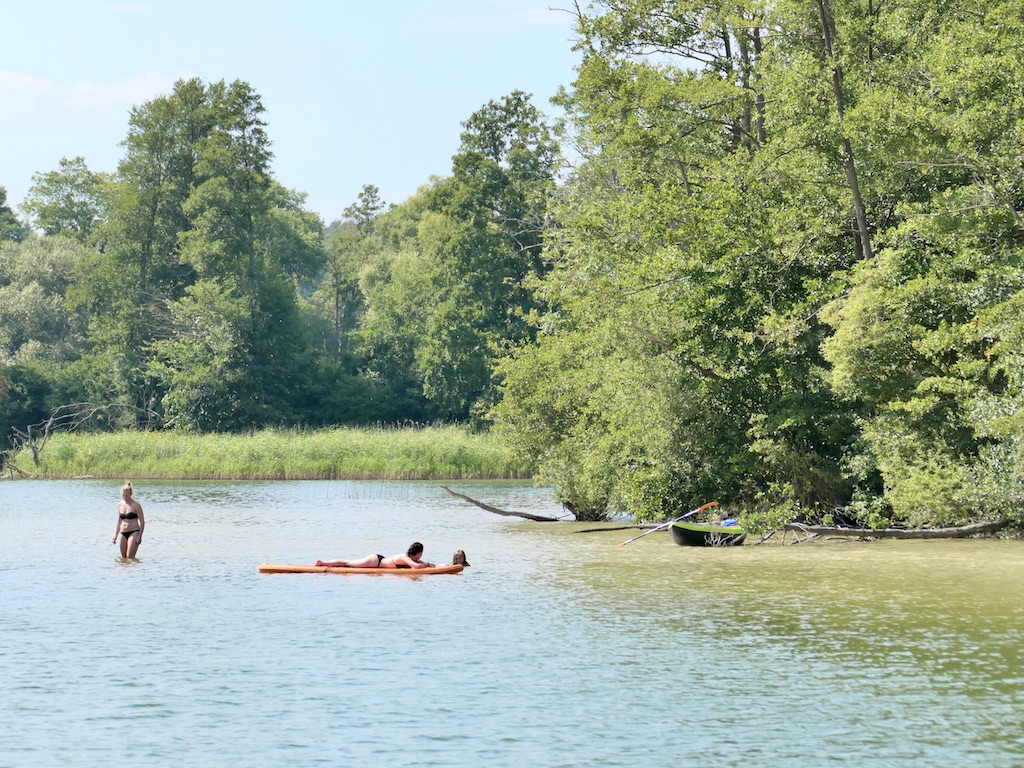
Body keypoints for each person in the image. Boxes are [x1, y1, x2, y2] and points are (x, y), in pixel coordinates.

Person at [316, 541, 435, 569]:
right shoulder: (405, 557)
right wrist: (426, 564)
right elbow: (417, 566)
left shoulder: (412, 558)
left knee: (348, 564)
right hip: (375, 561)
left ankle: (325, 562)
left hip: (379, 560)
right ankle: (323, 562)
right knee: (348, 563)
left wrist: (433, 565)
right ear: (419, 553)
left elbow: (421, 564)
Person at [112, 481, 145, 559]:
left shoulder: (136, 505)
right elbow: (119, 521)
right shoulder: (120, 505)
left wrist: (140, 536)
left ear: (131, 494)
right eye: (123, 495)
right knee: (123, 558)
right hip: (123, 532)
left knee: (129, 557)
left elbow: (142, 522)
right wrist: (115, 534)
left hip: (134, 532)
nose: (125, 497)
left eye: (126, 496)